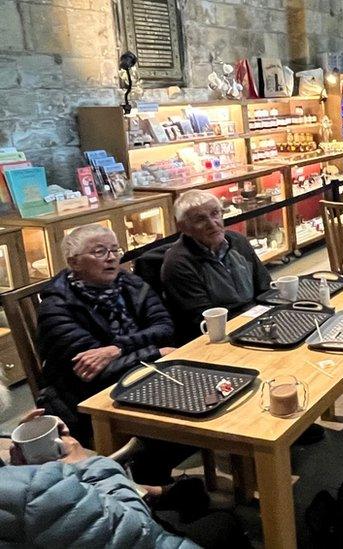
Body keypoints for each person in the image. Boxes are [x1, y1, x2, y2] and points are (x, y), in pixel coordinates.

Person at [1, 401, 250, 548]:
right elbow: (135, 528)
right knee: (225, 523)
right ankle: (161, 494)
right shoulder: (30, 492)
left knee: (189, 497)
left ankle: (164, 494)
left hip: (84, 516)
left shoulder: (17, 483)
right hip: (138, 533)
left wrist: (22, 468)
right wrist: (84, 464)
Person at [36, 224, 177, 447]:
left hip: (139, 375)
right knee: (179, 423)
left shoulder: (130, 283)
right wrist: (155, 352)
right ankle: (150, 477)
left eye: (115, 250)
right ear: (74, 262)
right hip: (89, 396)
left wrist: (117, 348)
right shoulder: (56, 306)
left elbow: (163, 326)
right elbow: (94, 370)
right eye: (100, 252)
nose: (111, 258)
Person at [161, 190, 271, 345]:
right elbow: (205, 319)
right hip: (219, 337)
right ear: (184, 227)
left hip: (256, 322)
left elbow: (265, 287)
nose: (212, 223)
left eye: (215, 213)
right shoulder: (178, 263)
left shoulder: (237, 241)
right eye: (200, 219)